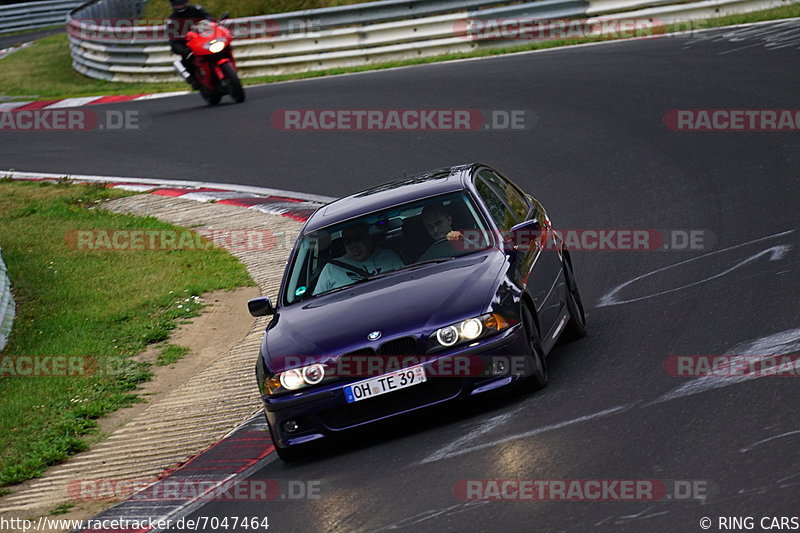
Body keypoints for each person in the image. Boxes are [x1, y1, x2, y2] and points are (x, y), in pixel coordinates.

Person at [313, 224, 404, 295]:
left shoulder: (388, 256)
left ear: (368, 238)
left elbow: (405, 284)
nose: (353, 244)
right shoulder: (331, 268)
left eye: (357, 238)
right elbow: (317, 303)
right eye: (347, 241)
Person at [166, 0, 212, 89]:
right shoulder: (172, 20)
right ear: (172, 5)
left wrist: (213, 23)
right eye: (177, 3)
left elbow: (209, 19)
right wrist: (183, 50)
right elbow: (173, 40)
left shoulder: (196, 9)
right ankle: (193, 79)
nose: (180, 5)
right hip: (188, 46)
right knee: (187, 60)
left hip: (204, 40)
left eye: (181, 2)